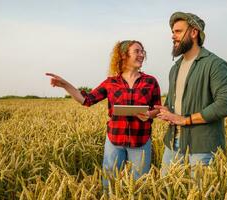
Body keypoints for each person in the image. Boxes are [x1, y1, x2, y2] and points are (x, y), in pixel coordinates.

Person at [46, 40, 161, 189]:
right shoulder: (111, 82)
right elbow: (86, 100)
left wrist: (150, 114)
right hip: (114, 140)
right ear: (123, 55)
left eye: (142, 51)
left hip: (141, 140)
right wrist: (65, 85)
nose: (141, 55)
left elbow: (158, 108)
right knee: (109, 185)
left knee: (140, 186)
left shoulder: (150, 81)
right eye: (137, 51)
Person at [155, 12, 227, 175]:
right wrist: (156, 112)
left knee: (200, 192)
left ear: (194, 32)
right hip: (172, 144)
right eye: (172, 32)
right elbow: (172, 103)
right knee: (165, 188)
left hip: (202, 147)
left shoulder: (215, 64)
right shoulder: (175, 68)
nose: (173, 36)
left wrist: (185, 120)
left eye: (178, 31)